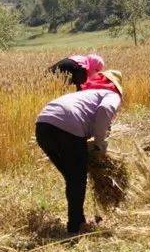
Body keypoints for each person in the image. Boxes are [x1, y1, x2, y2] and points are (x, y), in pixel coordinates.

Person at [35, 70, 123, 234]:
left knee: (72, 176)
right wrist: (99, 142)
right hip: (68, 127)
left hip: (42, 127)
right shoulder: (111, 95)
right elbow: (105, 110)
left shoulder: (88, 94)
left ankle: (78, 220)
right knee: (77, 178)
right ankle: (75, 226)